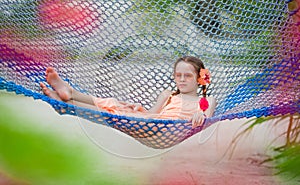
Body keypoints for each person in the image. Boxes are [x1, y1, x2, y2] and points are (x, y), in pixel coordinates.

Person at [40, 56, 217, 128]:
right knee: (115, 105)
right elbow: (152, 115)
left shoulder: (208, 99)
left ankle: (68, 99)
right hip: (150, 123)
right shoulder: (168, 95)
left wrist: (199, 116)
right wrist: (139, 108)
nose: (182, 79)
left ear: (199, 78)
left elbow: (206, 117)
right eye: (178, 75)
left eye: (188, 75)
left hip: (168, 130)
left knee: (113, 110)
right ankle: (69, 96)